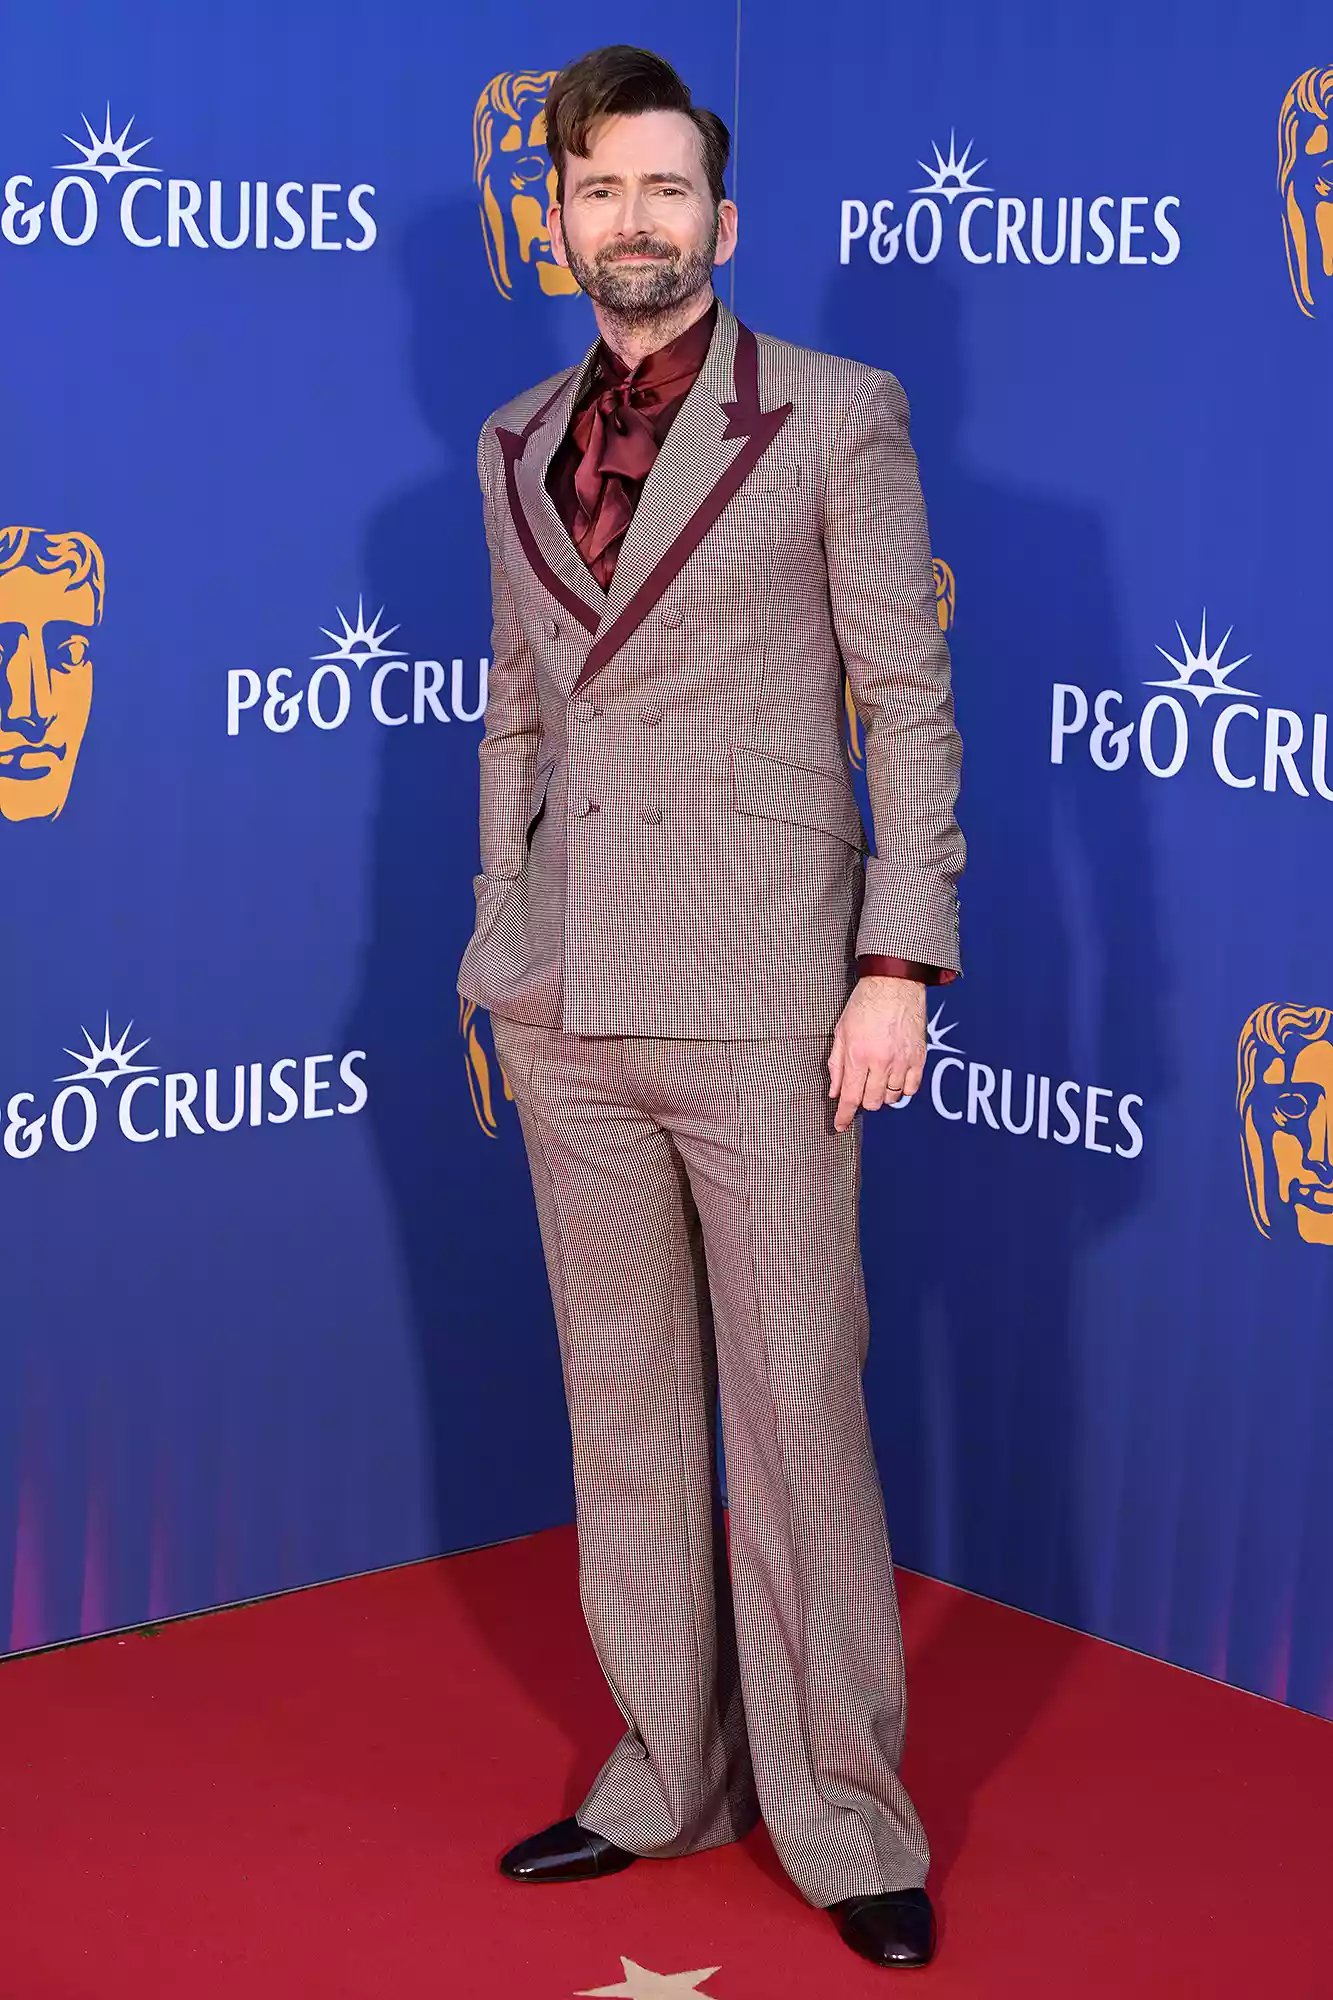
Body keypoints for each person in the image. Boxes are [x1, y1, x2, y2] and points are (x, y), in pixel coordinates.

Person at [457, 43, 965, 1972]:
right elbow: (515, 713)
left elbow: (903, 702)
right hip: (567, 999)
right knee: (624, 1410)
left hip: (765, 994)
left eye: (665, 189)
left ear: (721, 221)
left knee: (795, 1410)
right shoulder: (512, 440)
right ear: (558, 219)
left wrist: (894, 963)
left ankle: (842, 1814)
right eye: (600, 189)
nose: (634, 220)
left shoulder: (833, 412)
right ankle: (665, 1769)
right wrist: (493, 938)